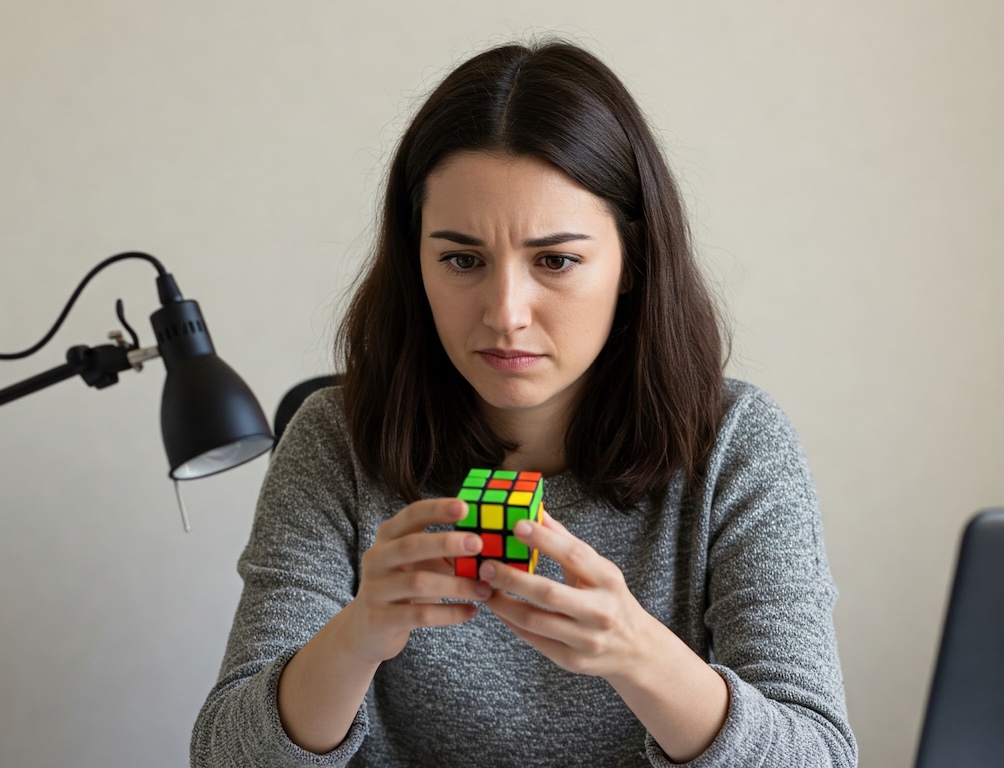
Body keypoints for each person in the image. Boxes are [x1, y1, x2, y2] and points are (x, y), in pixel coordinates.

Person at [191, 39, 857, 767]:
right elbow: (225, 756)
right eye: (462, 260)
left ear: (632, 259)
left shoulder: (736, 444)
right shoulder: (335, 440)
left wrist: (639, 655)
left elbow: (818, 756)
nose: (506, 313)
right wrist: (356, 635)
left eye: (557, 261)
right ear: (416, 261)